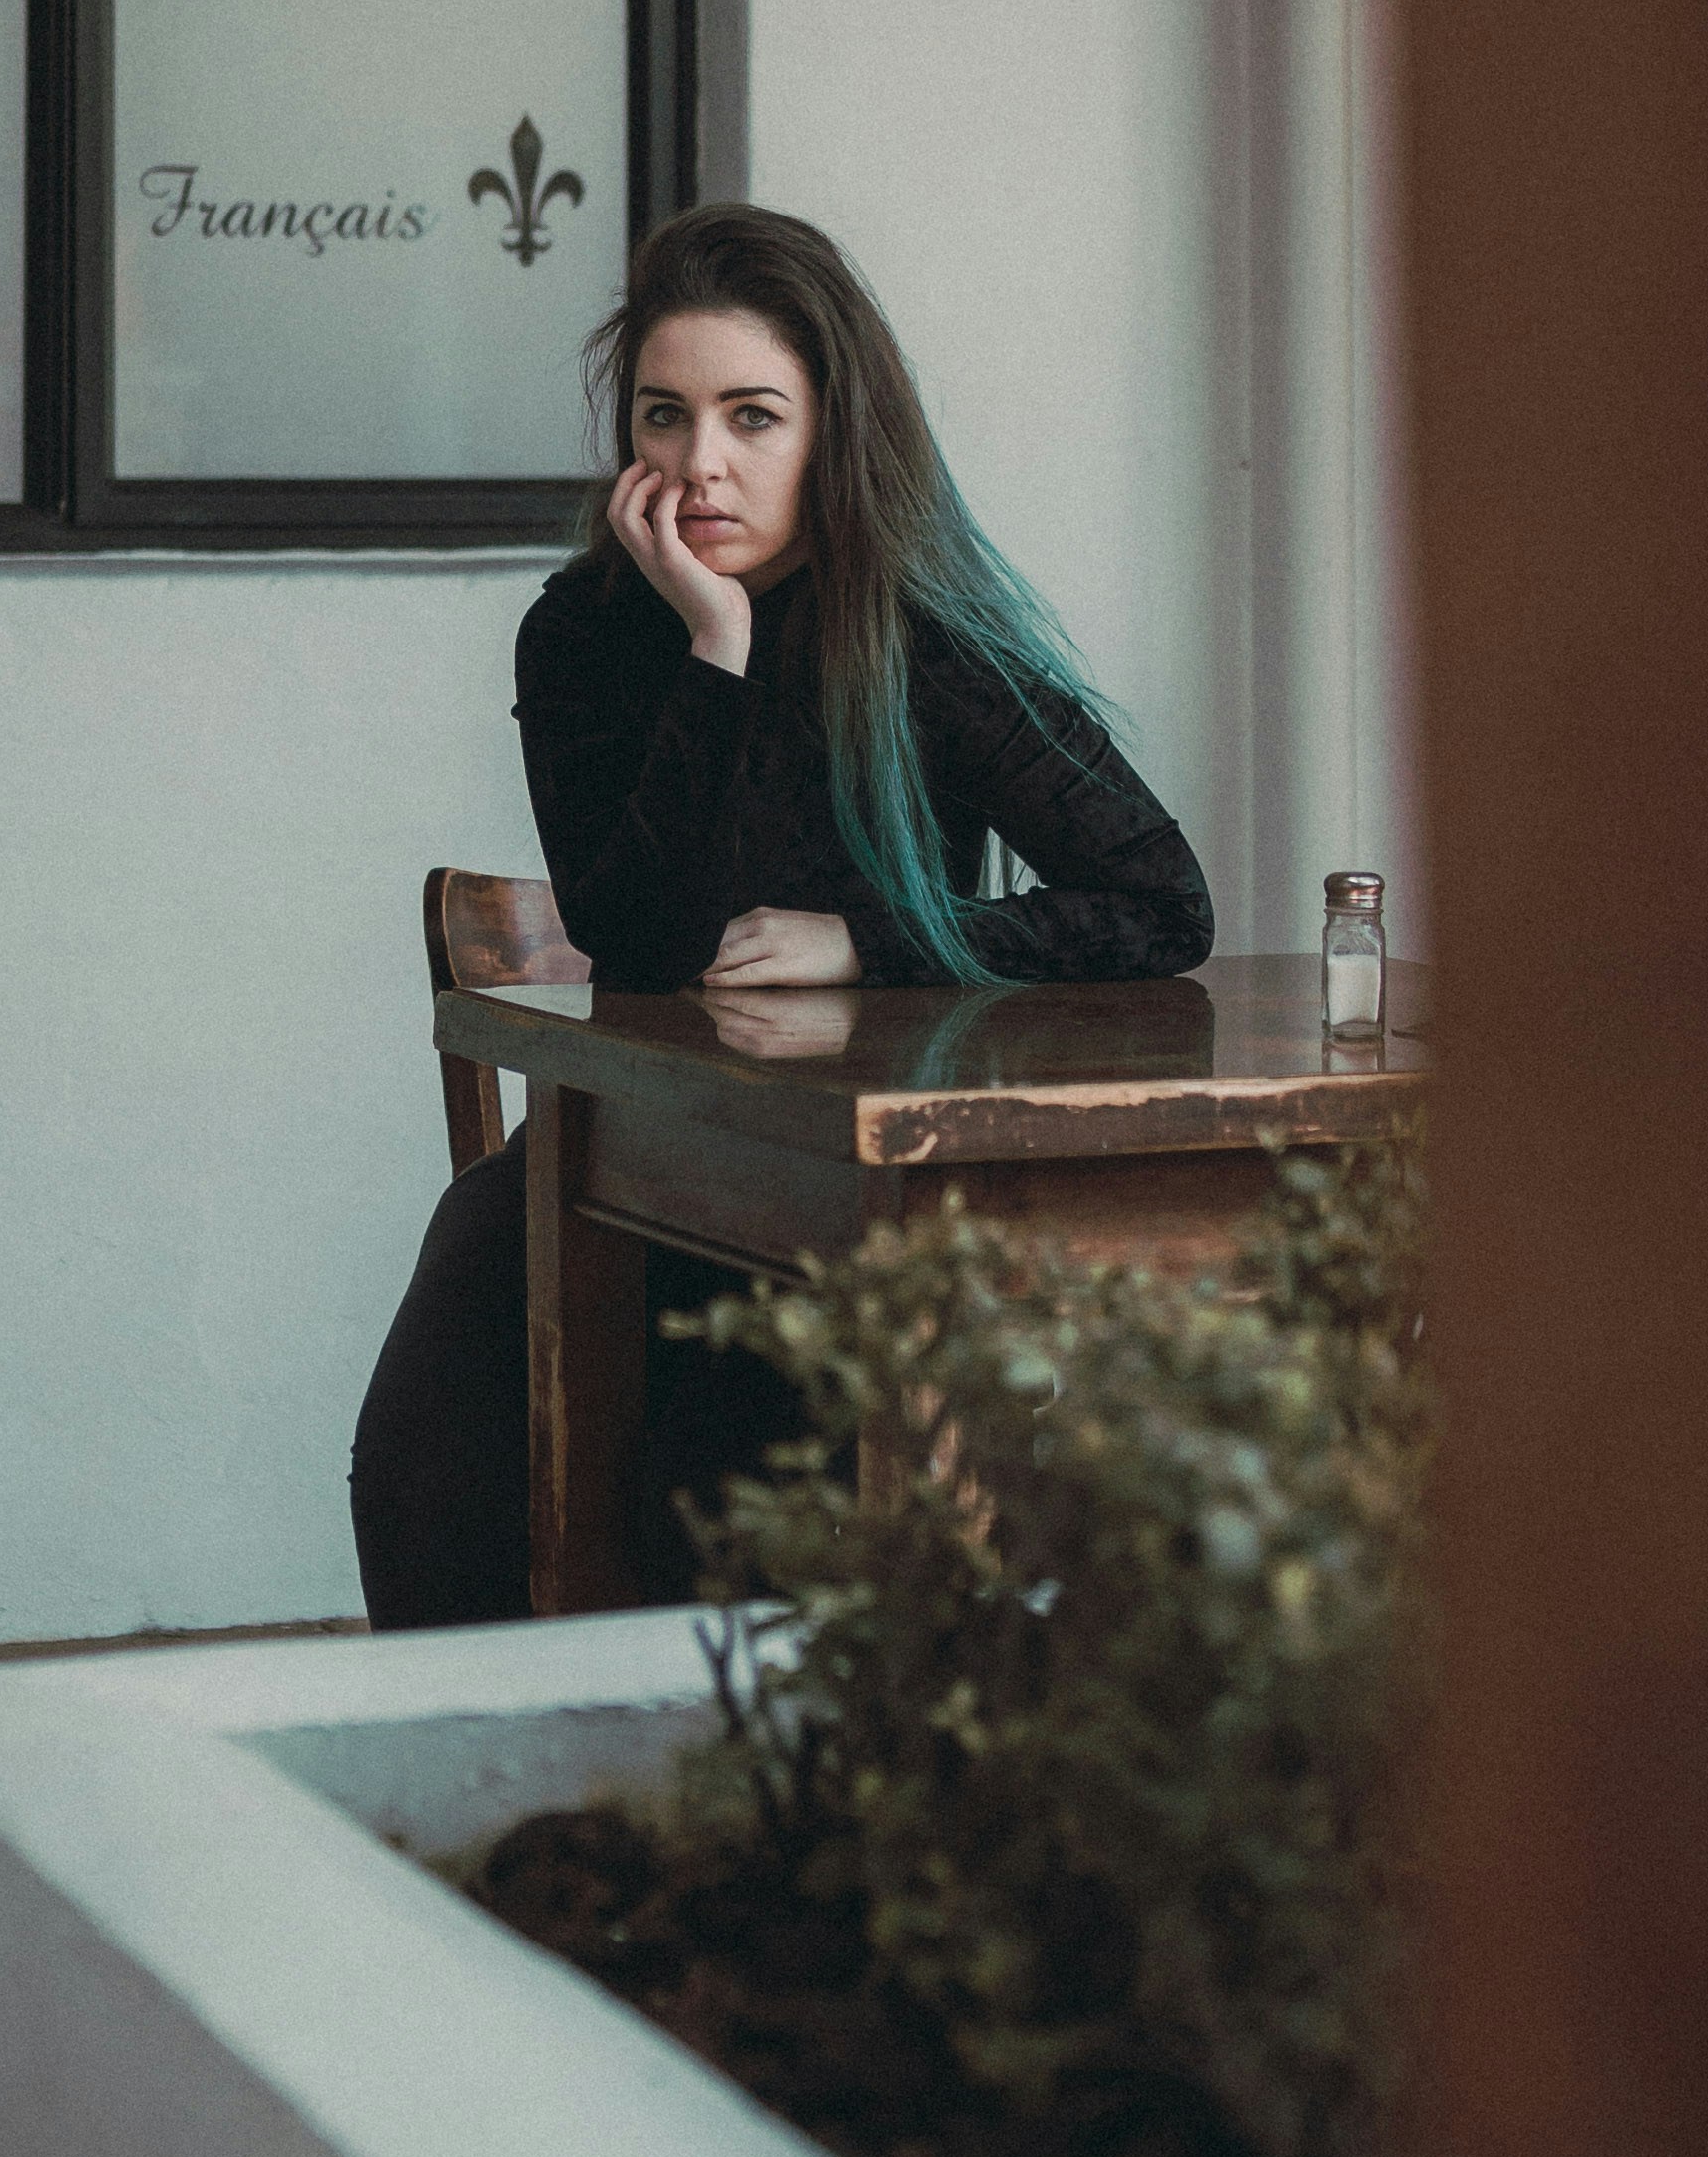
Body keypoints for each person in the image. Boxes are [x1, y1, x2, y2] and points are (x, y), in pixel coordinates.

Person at [349, 199, 1212, 1627]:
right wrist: (718, 645)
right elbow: (643, 939)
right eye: (665, 416)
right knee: (425, 1471)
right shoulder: (582, 633)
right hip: (617, 1156)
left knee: (718, 1498)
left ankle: (771, 1764)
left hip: (845, 1185)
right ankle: (487, 1758)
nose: (701, 464)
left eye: (753, 417)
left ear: (833, 432)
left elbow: (1160, 901)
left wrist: (871, 941)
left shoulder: (923, 638)